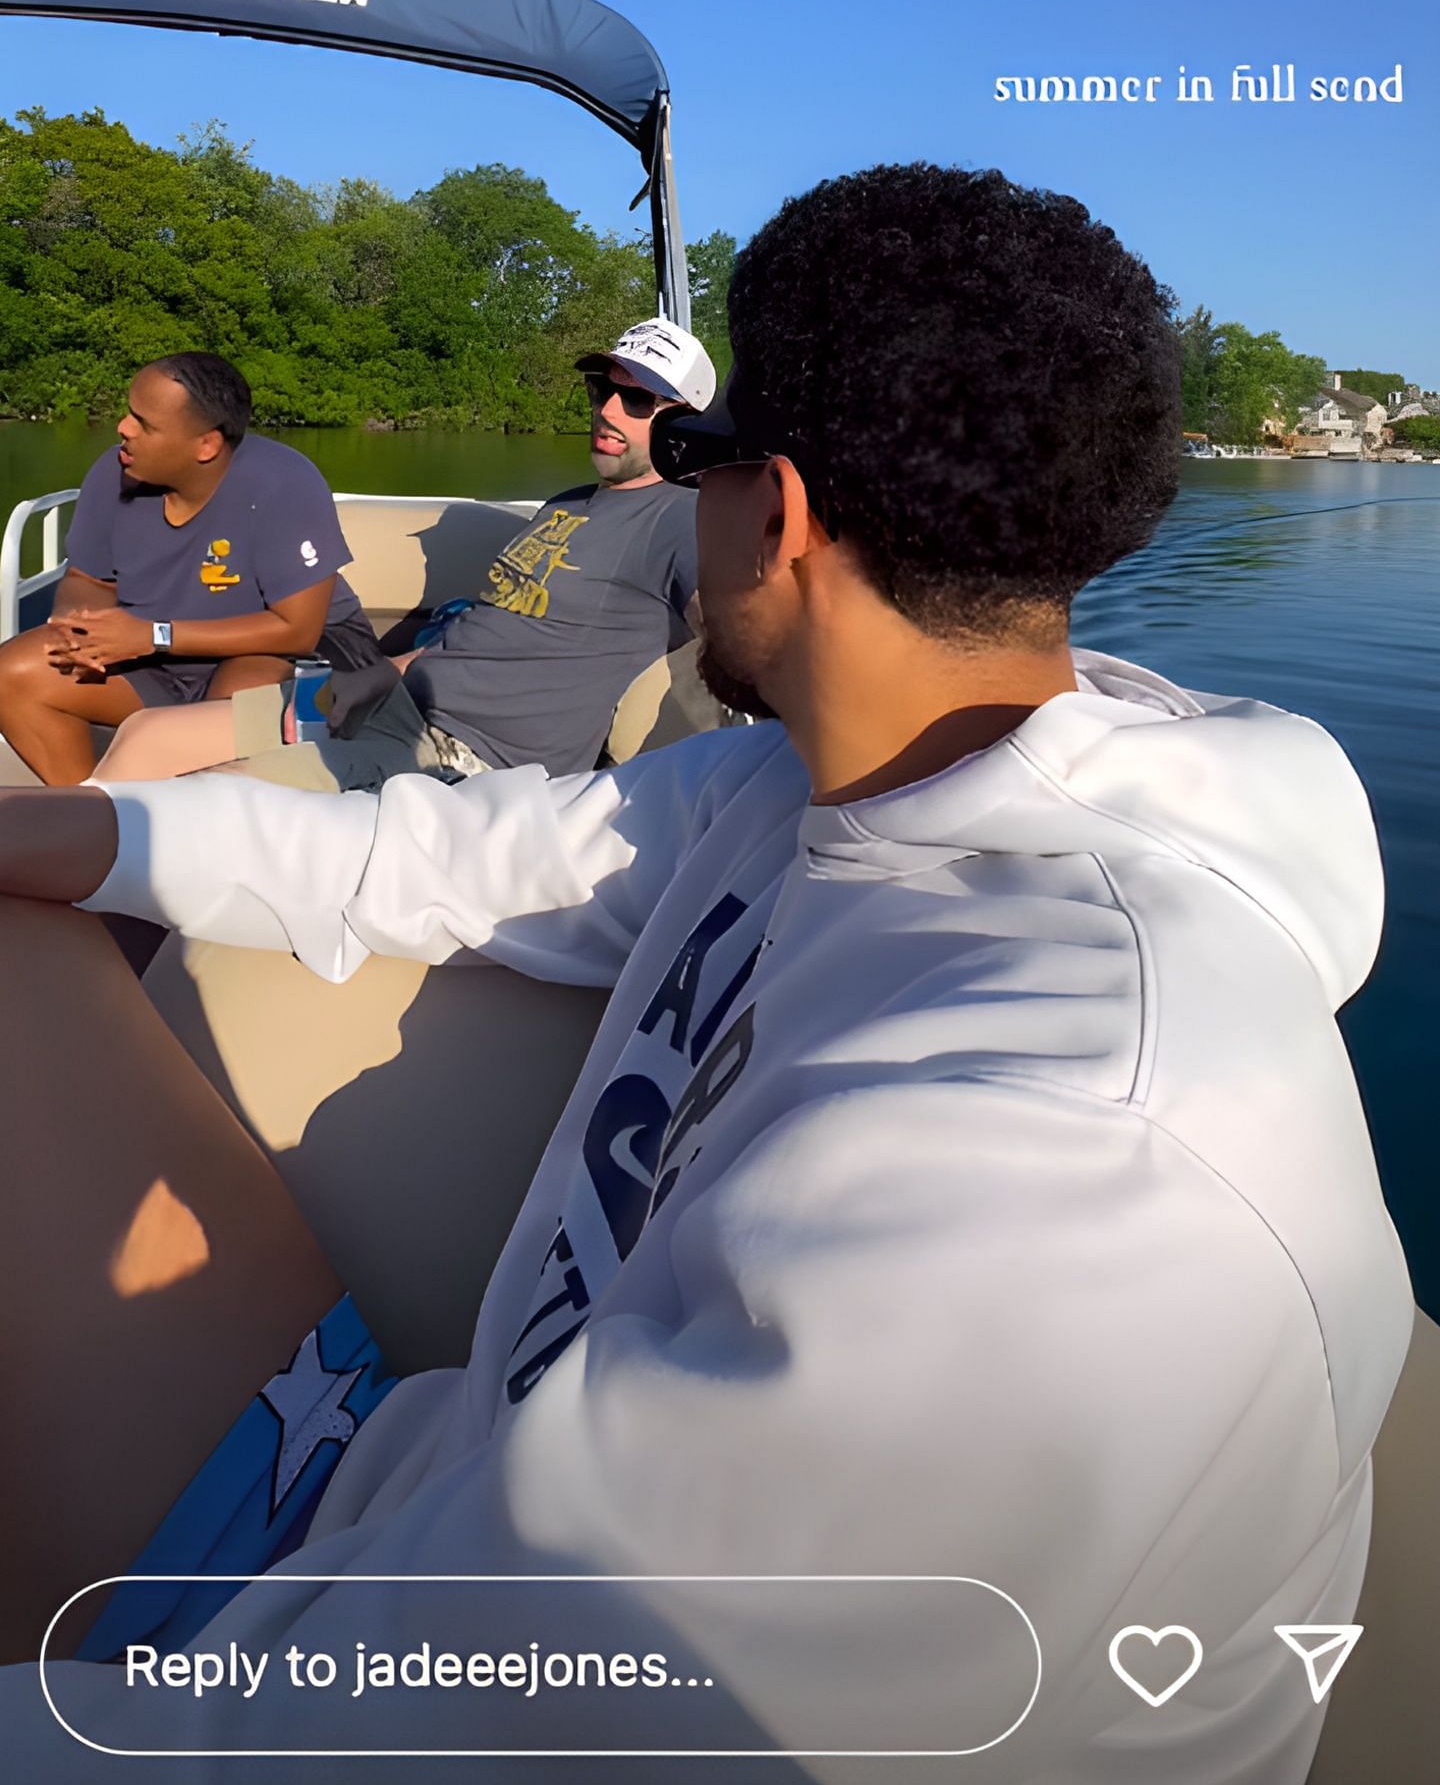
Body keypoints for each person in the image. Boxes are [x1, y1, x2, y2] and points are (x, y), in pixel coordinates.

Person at [0, 164, 1412, 1782]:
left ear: (780, 513)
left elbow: (483, 1738)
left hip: (358, 1682)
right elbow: (447, 859)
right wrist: (64, 843)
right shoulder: (796, 787)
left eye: (705, 456)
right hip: (400, 1504)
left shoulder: (1077, 1165)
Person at [91, 317, 716, 793]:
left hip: (461, 759)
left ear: (687, 423)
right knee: (148, 737)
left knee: (196, 798)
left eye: (637, 401)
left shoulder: (686, 518)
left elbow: (741, 633)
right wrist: (376, 671)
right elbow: (478, 641)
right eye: (602, 389)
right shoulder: (567, 505)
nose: (607, 409)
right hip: (394, 702)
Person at [0, 352, 380, 786]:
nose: (123, 428)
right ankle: (96, 818)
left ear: (207, 445)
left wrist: (153, 635)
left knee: (236, 703)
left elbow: (296, 630)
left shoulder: (283, 483)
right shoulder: (114, 472)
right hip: (154, 658)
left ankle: (206, 816)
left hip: (280, 655)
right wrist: (81, 629)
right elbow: (89, 577)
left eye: (145, 423)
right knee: (14, 674)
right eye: (129, 413)